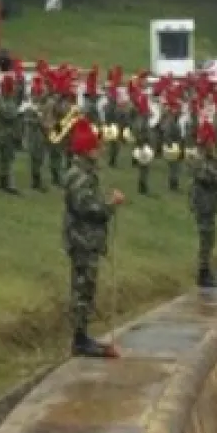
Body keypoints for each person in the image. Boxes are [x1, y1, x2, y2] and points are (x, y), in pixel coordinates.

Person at [62, 112, 122, 359]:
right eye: (95, 148)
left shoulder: (86, 174)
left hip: (87, 239)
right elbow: (86, 207)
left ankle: (83, 334)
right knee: (82, 288)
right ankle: (79, 338)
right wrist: (110, 205)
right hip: (82, 239)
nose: (99, 151)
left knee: (86, 287)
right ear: (86, 150)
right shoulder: (80, 176)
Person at [189, 120, 217, 289]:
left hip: (210, 203)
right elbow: (208, 178)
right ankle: (203, 273)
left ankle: (206, 270)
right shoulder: (197, 158)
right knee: (206, 238)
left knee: (209, 238)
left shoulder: (209, 158)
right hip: (203, 203)